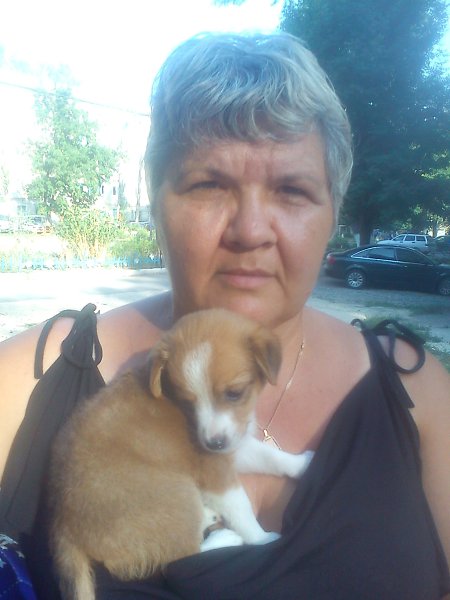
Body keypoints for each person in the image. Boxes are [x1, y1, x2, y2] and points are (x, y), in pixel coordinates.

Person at [0, 31, 449, 600]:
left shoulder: (419, 392)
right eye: (208, 184)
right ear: (156, 201)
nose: (250, 231)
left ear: (334, 212)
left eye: (292, 190)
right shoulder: (29, 377)